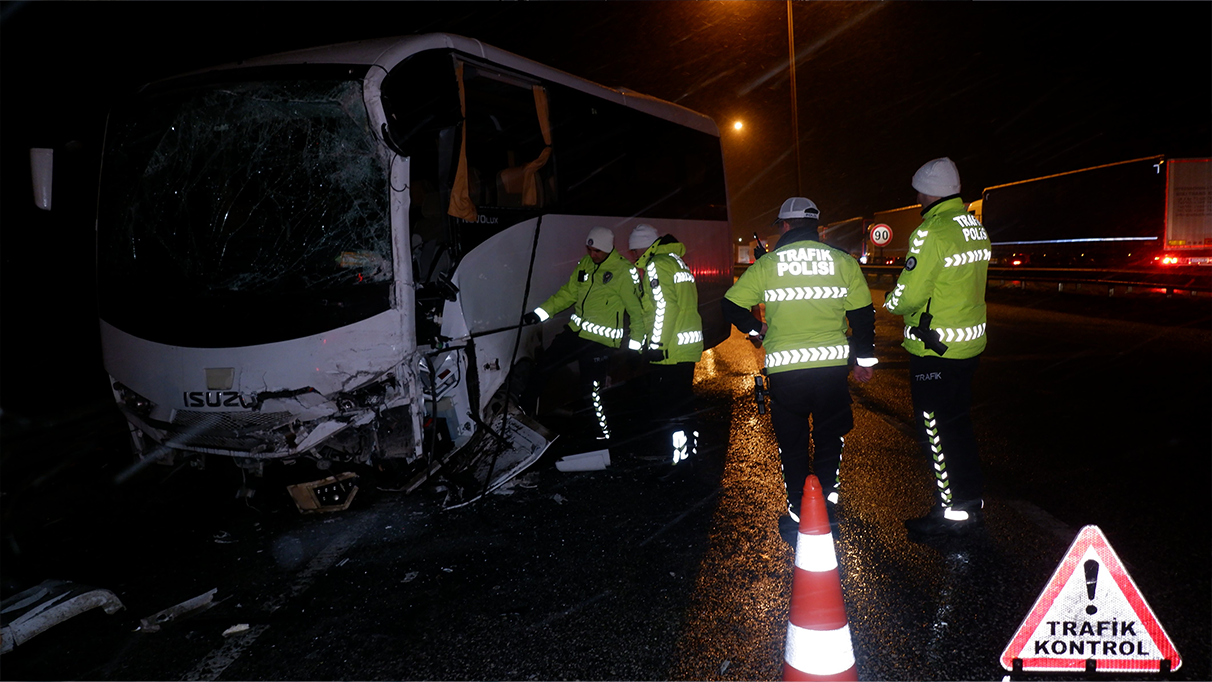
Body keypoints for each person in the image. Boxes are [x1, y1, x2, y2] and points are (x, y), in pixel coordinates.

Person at [723, 198, 876, 546]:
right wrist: (864, 361)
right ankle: (824, 506)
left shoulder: (769, 264)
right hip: (831, 371)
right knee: (829, 438)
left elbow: (729, 304)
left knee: (792, 445)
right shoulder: (843, 262)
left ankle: (798, 512)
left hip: (787, 375)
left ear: (785, 226)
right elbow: (863, 315)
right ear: (816, 227)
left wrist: (756, 330)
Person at [884, 157, 991, 537]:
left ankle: (952, 513)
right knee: (958, 427)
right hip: (967, 347)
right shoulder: (974, 228)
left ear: (928, 191)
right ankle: (969, 502)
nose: (916, 197)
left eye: (918, 190)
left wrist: (891, 303)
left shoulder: (932, 232)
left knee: (937, 432)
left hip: (936, 350)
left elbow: (911, 293)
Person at [521, 226, 646, 441]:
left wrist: (635, 348)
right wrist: (539, 314)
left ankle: (602, 437)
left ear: (608, 249)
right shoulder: (586, 265)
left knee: (591, 393)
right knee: (543, 367)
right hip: (575, 334)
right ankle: (523, 417)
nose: (592, 255)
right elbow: (567, 294)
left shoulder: (624, 272)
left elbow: (637, 312)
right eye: (589, 250)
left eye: (597, 251)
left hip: (601, 342)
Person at [624, 224, 704, 465]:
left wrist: (656, 345)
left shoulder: (657, 264)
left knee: (667, 409)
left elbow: (664, 307)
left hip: (670, 351)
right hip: (684, 348)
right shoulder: (676, 261)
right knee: (682, 406)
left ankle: (676, 460)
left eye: (634, 249)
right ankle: (687, 455)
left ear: (642, 245)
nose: (633, 255)